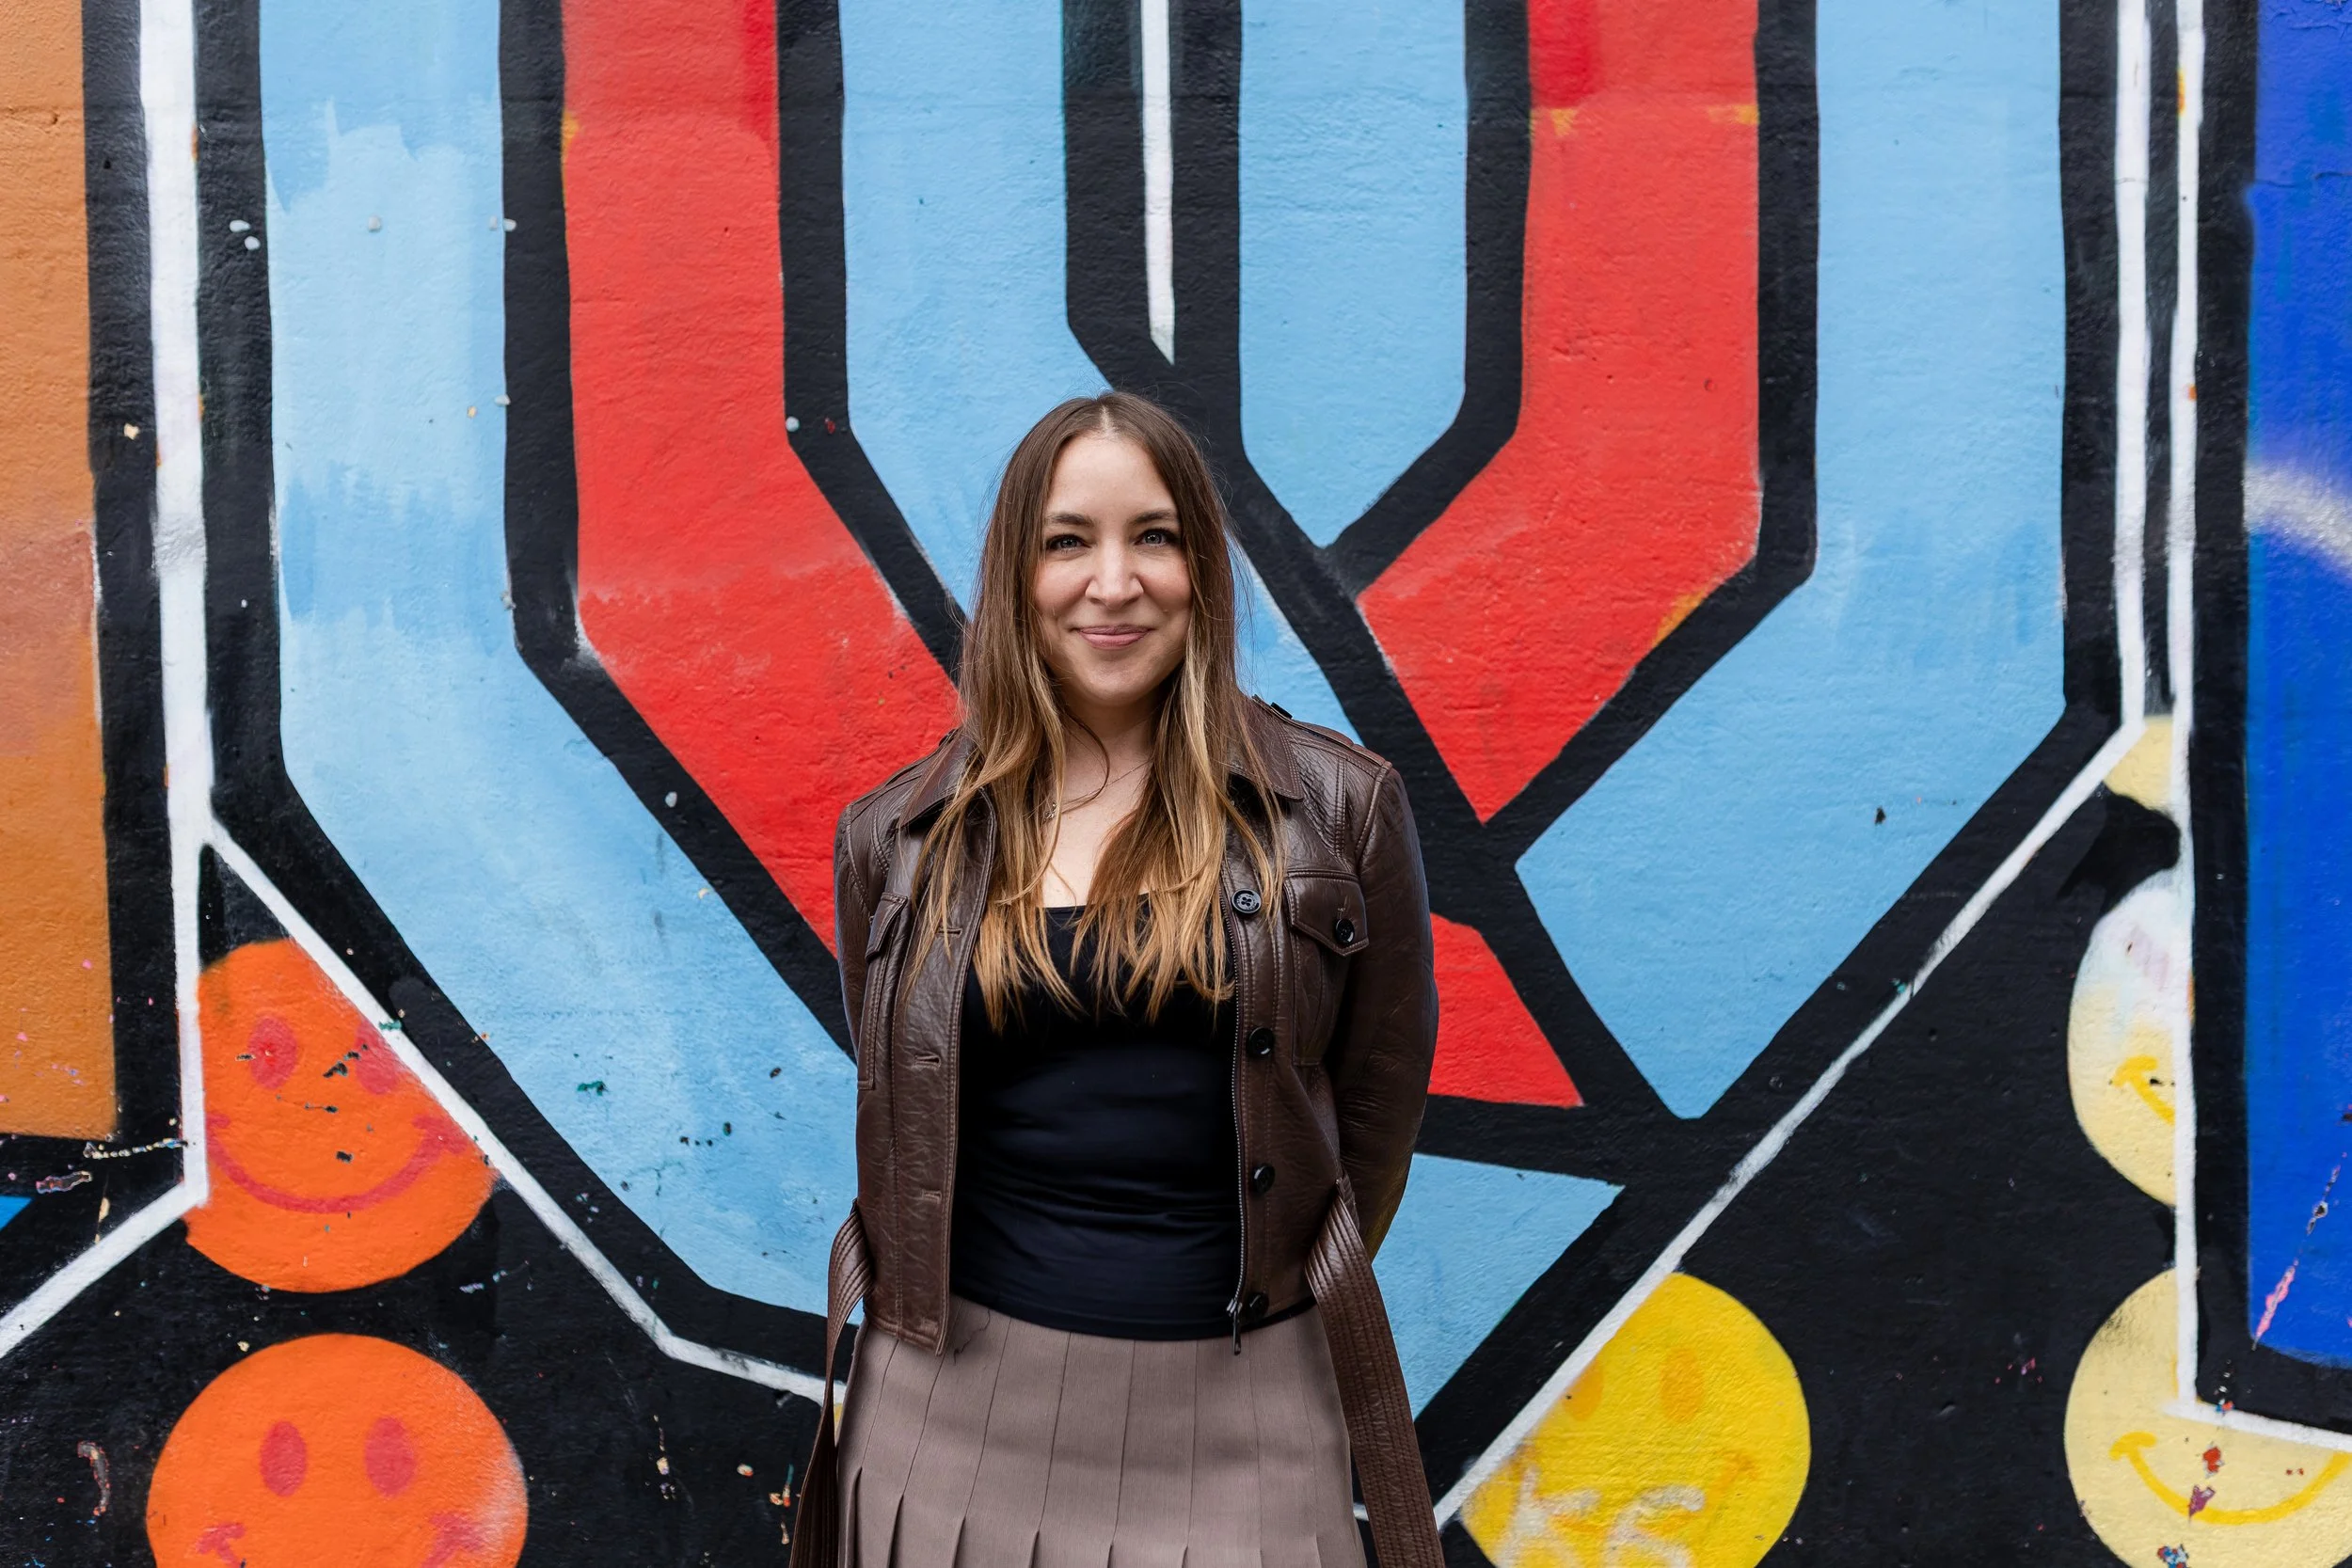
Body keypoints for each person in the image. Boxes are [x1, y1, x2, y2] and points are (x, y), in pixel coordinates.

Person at [792, 391, 1441, 1568]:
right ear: (1015, 573)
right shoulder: (894, 838)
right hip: (947, 1411)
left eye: (1154, 535)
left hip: (1247, 1411)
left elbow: (1375, 1117)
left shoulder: (1342, 812)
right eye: (1066, 540)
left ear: (1202, 562)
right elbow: (900, 1097)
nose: (1112, 581)